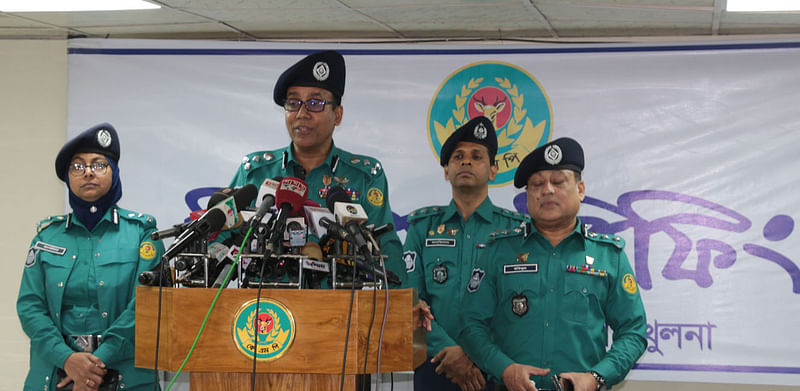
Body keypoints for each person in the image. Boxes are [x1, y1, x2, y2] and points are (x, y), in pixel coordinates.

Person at [458, 137, 647, 391]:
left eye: (558, 182)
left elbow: (633, 331)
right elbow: (471, 324)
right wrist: (504, 369)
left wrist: (596, 377)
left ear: (580, 189)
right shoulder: (498, 252)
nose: (547, 190)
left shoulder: (608, 256)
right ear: (527, 195)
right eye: (537, 183)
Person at [228, 50, 404, 282]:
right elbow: (226, 233)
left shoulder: (364, 175)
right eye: (294, 103)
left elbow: (386, 243)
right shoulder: (256, 172)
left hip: (341, 305)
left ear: (338, 114)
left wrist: (404, 301)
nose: (302, 113)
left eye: (315, 103)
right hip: (266, 308)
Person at [17, 123, 165, 391]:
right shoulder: (46, 237)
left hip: (124, 375)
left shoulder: (143, 234)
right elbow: (30, 307)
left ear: (114, 172)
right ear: (67, 177)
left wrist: (94, 365)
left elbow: (147, 306)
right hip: (55, 375)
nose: (87, 172)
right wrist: (68, 359)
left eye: (98, 164)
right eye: (77, 166)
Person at [403, 116, 529, 391]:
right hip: (435, 364)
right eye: (458, 156)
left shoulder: (517, 231)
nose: (466, 161)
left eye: (477, 156)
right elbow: (410, 300)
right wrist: (447, 350)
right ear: (446, 171)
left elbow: (519, 303)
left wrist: (476, 354)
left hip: (496, 370)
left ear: (494, 170)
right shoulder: (423, 228)